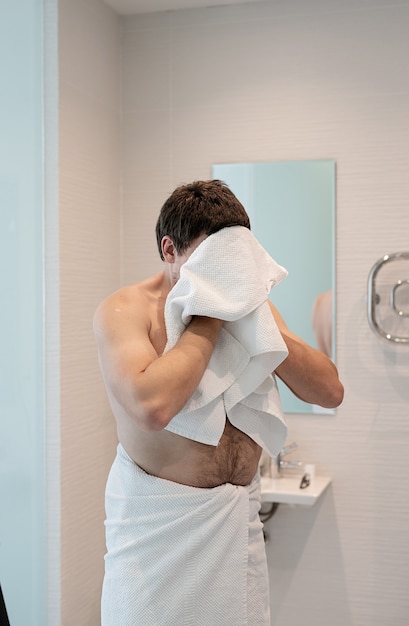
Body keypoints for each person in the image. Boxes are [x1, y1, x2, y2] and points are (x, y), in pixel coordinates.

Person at [94, 180, 344, 626]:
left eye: (235, 262)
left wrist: (258, 319)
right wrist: (208, 314)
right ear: (169, 250)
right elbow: (152, 406)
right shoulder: (126, 309)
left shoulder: (252, 308)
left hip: (237, 534)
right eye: (215, 263)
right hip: (159, 549)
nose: (226, 276)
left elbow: (329, 391)